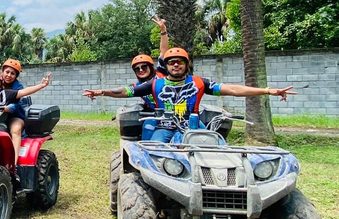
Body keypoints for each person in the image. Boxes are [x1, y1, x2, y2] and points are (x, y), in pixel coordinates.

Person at [83, 47, 296, 142]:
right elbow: (125, 91)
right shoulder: (155, 84)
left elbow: (232, 89)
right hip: (163, 127)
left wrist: (267, 91)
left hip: (195, 128)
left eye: (180, 61)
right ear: (165, 66)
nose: (175, 65)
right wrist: (101, 92)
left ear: (187, 64)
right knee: (149, 155)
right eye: (171, 62)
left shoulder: (199, 83)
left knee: (220, 149)